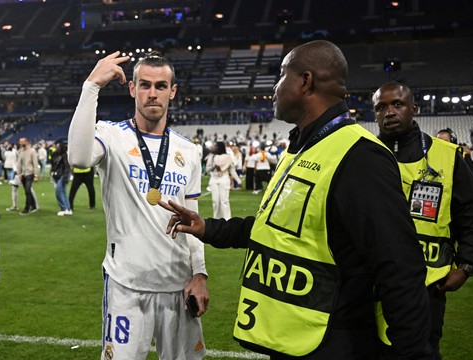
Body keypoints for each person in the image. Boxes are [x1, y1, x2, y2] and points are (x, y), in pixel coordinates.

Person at [158, 40, 432, 359]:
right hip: (295, 341)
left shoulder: (360, 156)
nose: (274, 88)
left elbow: (400, 268)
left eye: (281, 75)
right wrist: (209, 229)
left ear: (305, 81)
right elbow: (274, 229)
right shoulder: (301, 148)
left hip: (335, 342)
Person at [68, 51, 209, 360]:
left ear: (172, 91)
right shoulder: (111, 135)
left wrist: (200, 274)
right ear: (132, 89)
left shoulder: (189, 150)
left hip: (179, 286)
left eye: (161, 86)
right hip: (126, 287)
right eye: (144, 85)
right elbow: (78, 158)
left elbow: (193, 220)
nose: (152, 93)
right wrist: (91, 85)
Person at [373, 81, 473, 360]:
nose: (389, 112)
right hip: (368, 283)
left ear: (414, 109)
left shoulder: (448, 157)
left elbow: (470, 215)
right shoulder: (363, 155)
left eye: (398, 104)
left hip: (426, 285)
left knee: (420, 354)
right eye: (381, 107)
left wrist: (467, 265)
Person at [206, 141, 241, 219]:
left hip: (224, 179)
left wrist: (238, 181)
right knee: (215, 201)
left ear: (220, 147)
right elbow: (207, 170)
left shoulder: (228, 157)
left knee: (224, 201)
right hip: (214, 179)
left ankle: (227, 219)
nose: (213, 148)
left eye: (215, 146)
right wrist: (213, 166)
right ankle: (216, 219)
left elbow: (232, 170)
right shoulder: (211, 157)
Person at [16, 136, 39, 215]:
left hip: (30, 173)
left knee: (27, 190)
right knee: (27, 191)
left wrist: (36, 175)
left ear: (26, 142)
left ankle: (27, 208)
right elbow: (18, 163)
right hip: (23, 174)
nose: (21, 143)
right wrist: (19, 174)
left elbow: (35, 163)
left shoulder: (32, 151)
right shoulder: (20, 152)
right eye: (20, 142)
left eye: (22, 142)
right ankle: (34, 206)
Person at [50, 139, 72, 216]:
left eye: (58, 146)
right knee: (63, 191)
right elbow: (53, 164)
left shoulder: (64, 155)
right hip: (61, 174)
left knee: (58, 191)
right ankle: (68, 209)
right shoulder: (57, 155)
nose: (56, 147)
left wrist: (66, 175)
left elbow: (66, 166)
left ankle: (63, 208)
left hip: (63, 174)